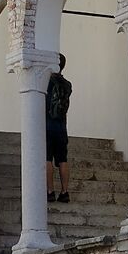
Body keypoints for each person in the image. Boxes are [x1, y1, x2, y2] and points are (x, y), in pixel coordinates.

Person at [44, 55, 72, 206]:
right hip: (61, 126)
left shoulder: (46, 83)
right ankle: (64, 192)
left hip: (47, 124)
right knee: (62, 159)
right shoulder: (67, 85)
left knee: (47, 158)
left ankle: (49, 191)